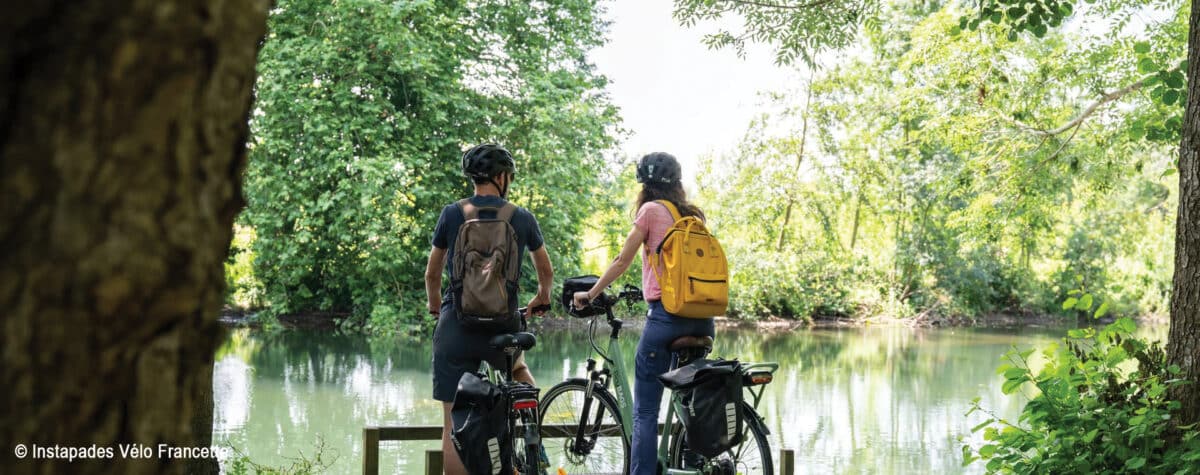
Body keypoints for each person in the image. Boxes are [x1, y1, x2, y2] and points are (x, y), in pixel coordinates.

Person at [572, 152, 714, 475]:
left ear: (645, 187)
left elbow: (622, 261)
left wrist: (590, 294)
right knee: (687, 401)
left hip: (666, 319)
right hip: (704, 322)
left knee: (646, 411)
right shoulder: (692, 216)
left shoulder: (650, 211)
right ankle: (691, 461)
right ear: (677, 185)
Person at [426, 143, 553, 475]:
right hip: (504, 327)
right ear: (501, 177)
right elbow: (546, 271)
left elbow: (432, 273)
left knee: (452, 425)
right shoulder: (521, 217)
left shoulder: (452, 214)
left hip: (457, 325)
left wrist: (436, 308)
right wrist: (542, 297)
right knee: (519, 372)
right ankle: (531, 432)